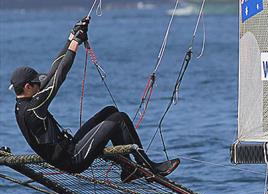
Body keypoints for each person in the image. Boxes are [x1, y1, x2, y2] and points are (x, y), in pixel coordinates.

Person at [10, 16, 179, 182]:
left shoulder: (22, 103)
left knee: (110, 111)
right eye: (36, 83)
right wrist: (75, 44)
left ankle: (128, 169)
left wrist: (72, 37)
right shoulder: (33, 109)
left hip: (69, 148)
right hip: (73, 159)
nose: (40, 84)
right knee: (120, 119)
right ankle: (148, 167)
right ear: (28, 87)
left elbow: (53, 70)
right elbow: (59, 76)